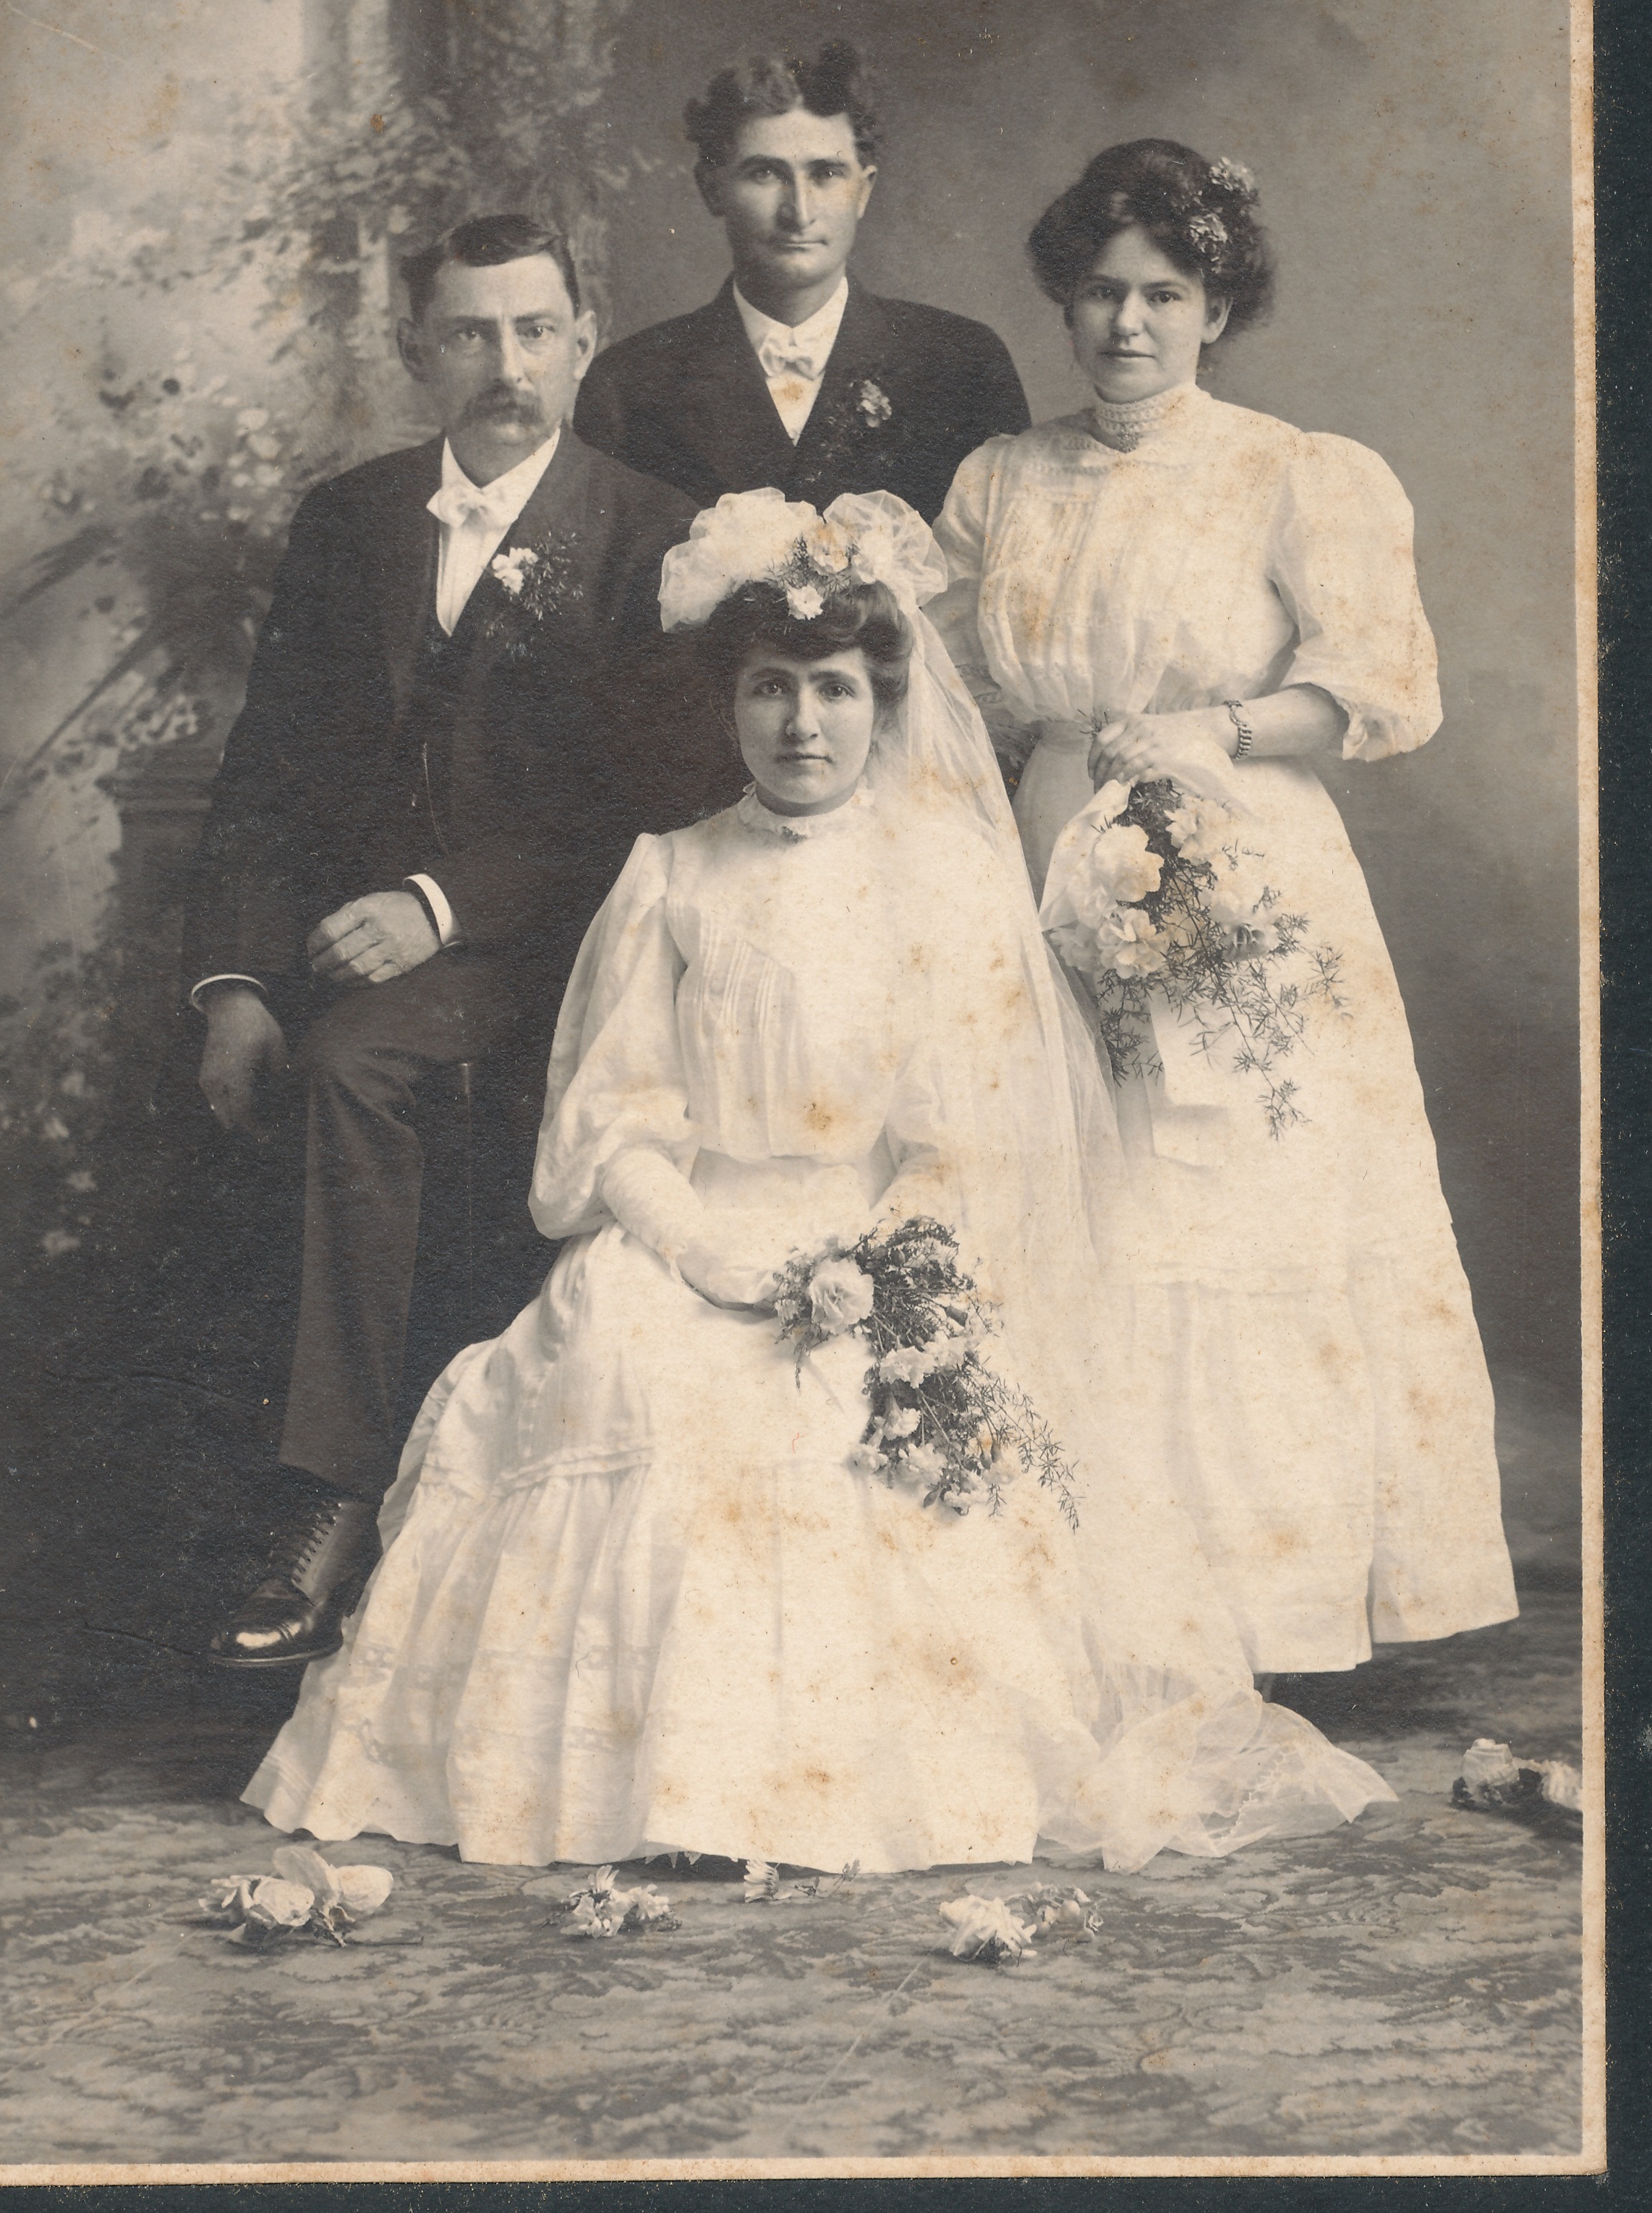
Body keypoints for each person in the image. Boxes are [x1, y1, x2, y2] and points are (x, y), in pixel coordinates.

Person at [242, 487, 1393, 1876]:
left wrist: (875, 1261)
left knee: (841, 1416)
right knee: (626, 1374)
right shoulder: (669, 874)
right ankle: (640, 1790)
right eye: (772, 688)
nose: (803, 723)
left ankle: (817, 1790)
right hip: (686, 1242)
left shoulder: (945, 885)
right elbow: (611, 1123)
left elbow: (963, 1139)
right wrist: (705, 1248)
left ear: (884, 702)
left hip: (880, 1243)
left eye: (836, 689)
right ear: (728, 702)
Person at [929, 139, 1520, 1678]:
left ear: (1217, 304)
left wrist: (1218, 733)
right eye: (1102, 293)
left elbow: (1383, 688)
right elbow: (942, 693)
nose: (1129, 324)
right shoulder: (997, 482)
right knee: (1074, 1193)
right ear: (1065, 301)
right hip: (1044, 853)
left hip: (1241, 858)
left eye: (1165, 294)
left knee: (1221, 1196)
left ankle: (1259, 1610)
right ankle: (1083, 1595)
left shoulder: (1294, 470)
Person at [184, 213, 709, 1670]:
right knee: (292, 1056)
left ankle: (334, 1494)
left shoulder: (650, 531)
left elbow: (642, 804)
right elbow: (265, 773)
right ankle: (306, 1492)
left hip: (564, 949)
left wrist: (440, 904)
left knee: (355, 1064)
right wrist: (230, 985)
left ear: (582, 339)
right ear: (416, 349)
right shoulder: (345, 521)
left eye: (535, 329)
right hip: (362, 949)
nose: (506, 364)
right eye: (471, 333)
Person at [573, 41, 1030, 522]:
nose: (800, 213)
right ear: (713, 190)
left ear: (864, 190)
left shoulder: (964, 366)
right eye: (766, 173)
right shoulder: (627, 386)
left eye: (826, 174)